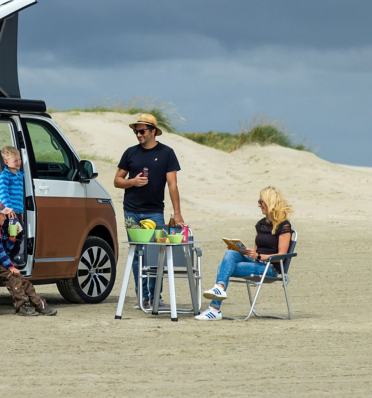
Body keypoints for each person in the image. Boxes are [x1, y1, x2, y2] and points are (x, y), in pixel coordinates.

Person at [113, 113, 184, 309]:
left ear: (153, 131)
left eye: (142, 131)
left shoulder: (167, 153)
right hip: (131, 211)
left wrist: (177, 213)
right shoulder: (130, 153)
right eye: (136, 131)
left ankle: (156, 298)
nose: (138, 134)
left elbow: (172, 184)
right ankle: (142, 297)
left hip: (154, 211)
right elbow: (117, 181)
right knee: (137, 254)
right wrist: (132, 182)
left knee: (154, 254)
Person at [196, 186, 294, 321]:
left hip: (269, 268)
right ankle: (219, 290)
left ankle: (214, 308)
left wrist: (258, 256)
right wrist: (243, 251)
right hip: (256, 262)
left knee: (223, 268)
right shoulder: (260, 224)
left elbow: (281, 256)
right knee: (230, 254)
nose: (259, 205)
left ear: (270, 202)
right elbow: (255, 250)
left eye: (261, 201)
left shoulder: (284, 226)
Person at [0, 202, 57, 317]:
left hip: (1, 261)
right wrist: (10, 267)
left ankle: (41, 306)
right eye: (2, 215)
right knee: (13, 278)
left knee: (24, 281)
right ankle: (21, 307)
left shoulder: (0, 228)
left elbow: (6, 251)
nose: (5, 217)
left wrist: (12, 239)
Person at [0, 146, 24, 222]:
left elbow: (20, 196)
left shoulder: (19, 174)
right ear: (6, 162)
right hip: (8, 211)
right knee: (12, 232)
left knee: (18, 232)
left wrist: (21, 211)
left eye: (19, 159)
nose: (19, 162)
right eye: (15, 161)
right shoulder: (4, 176)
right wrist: (9, 209)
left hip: (16, 211)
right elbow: (4, 194)